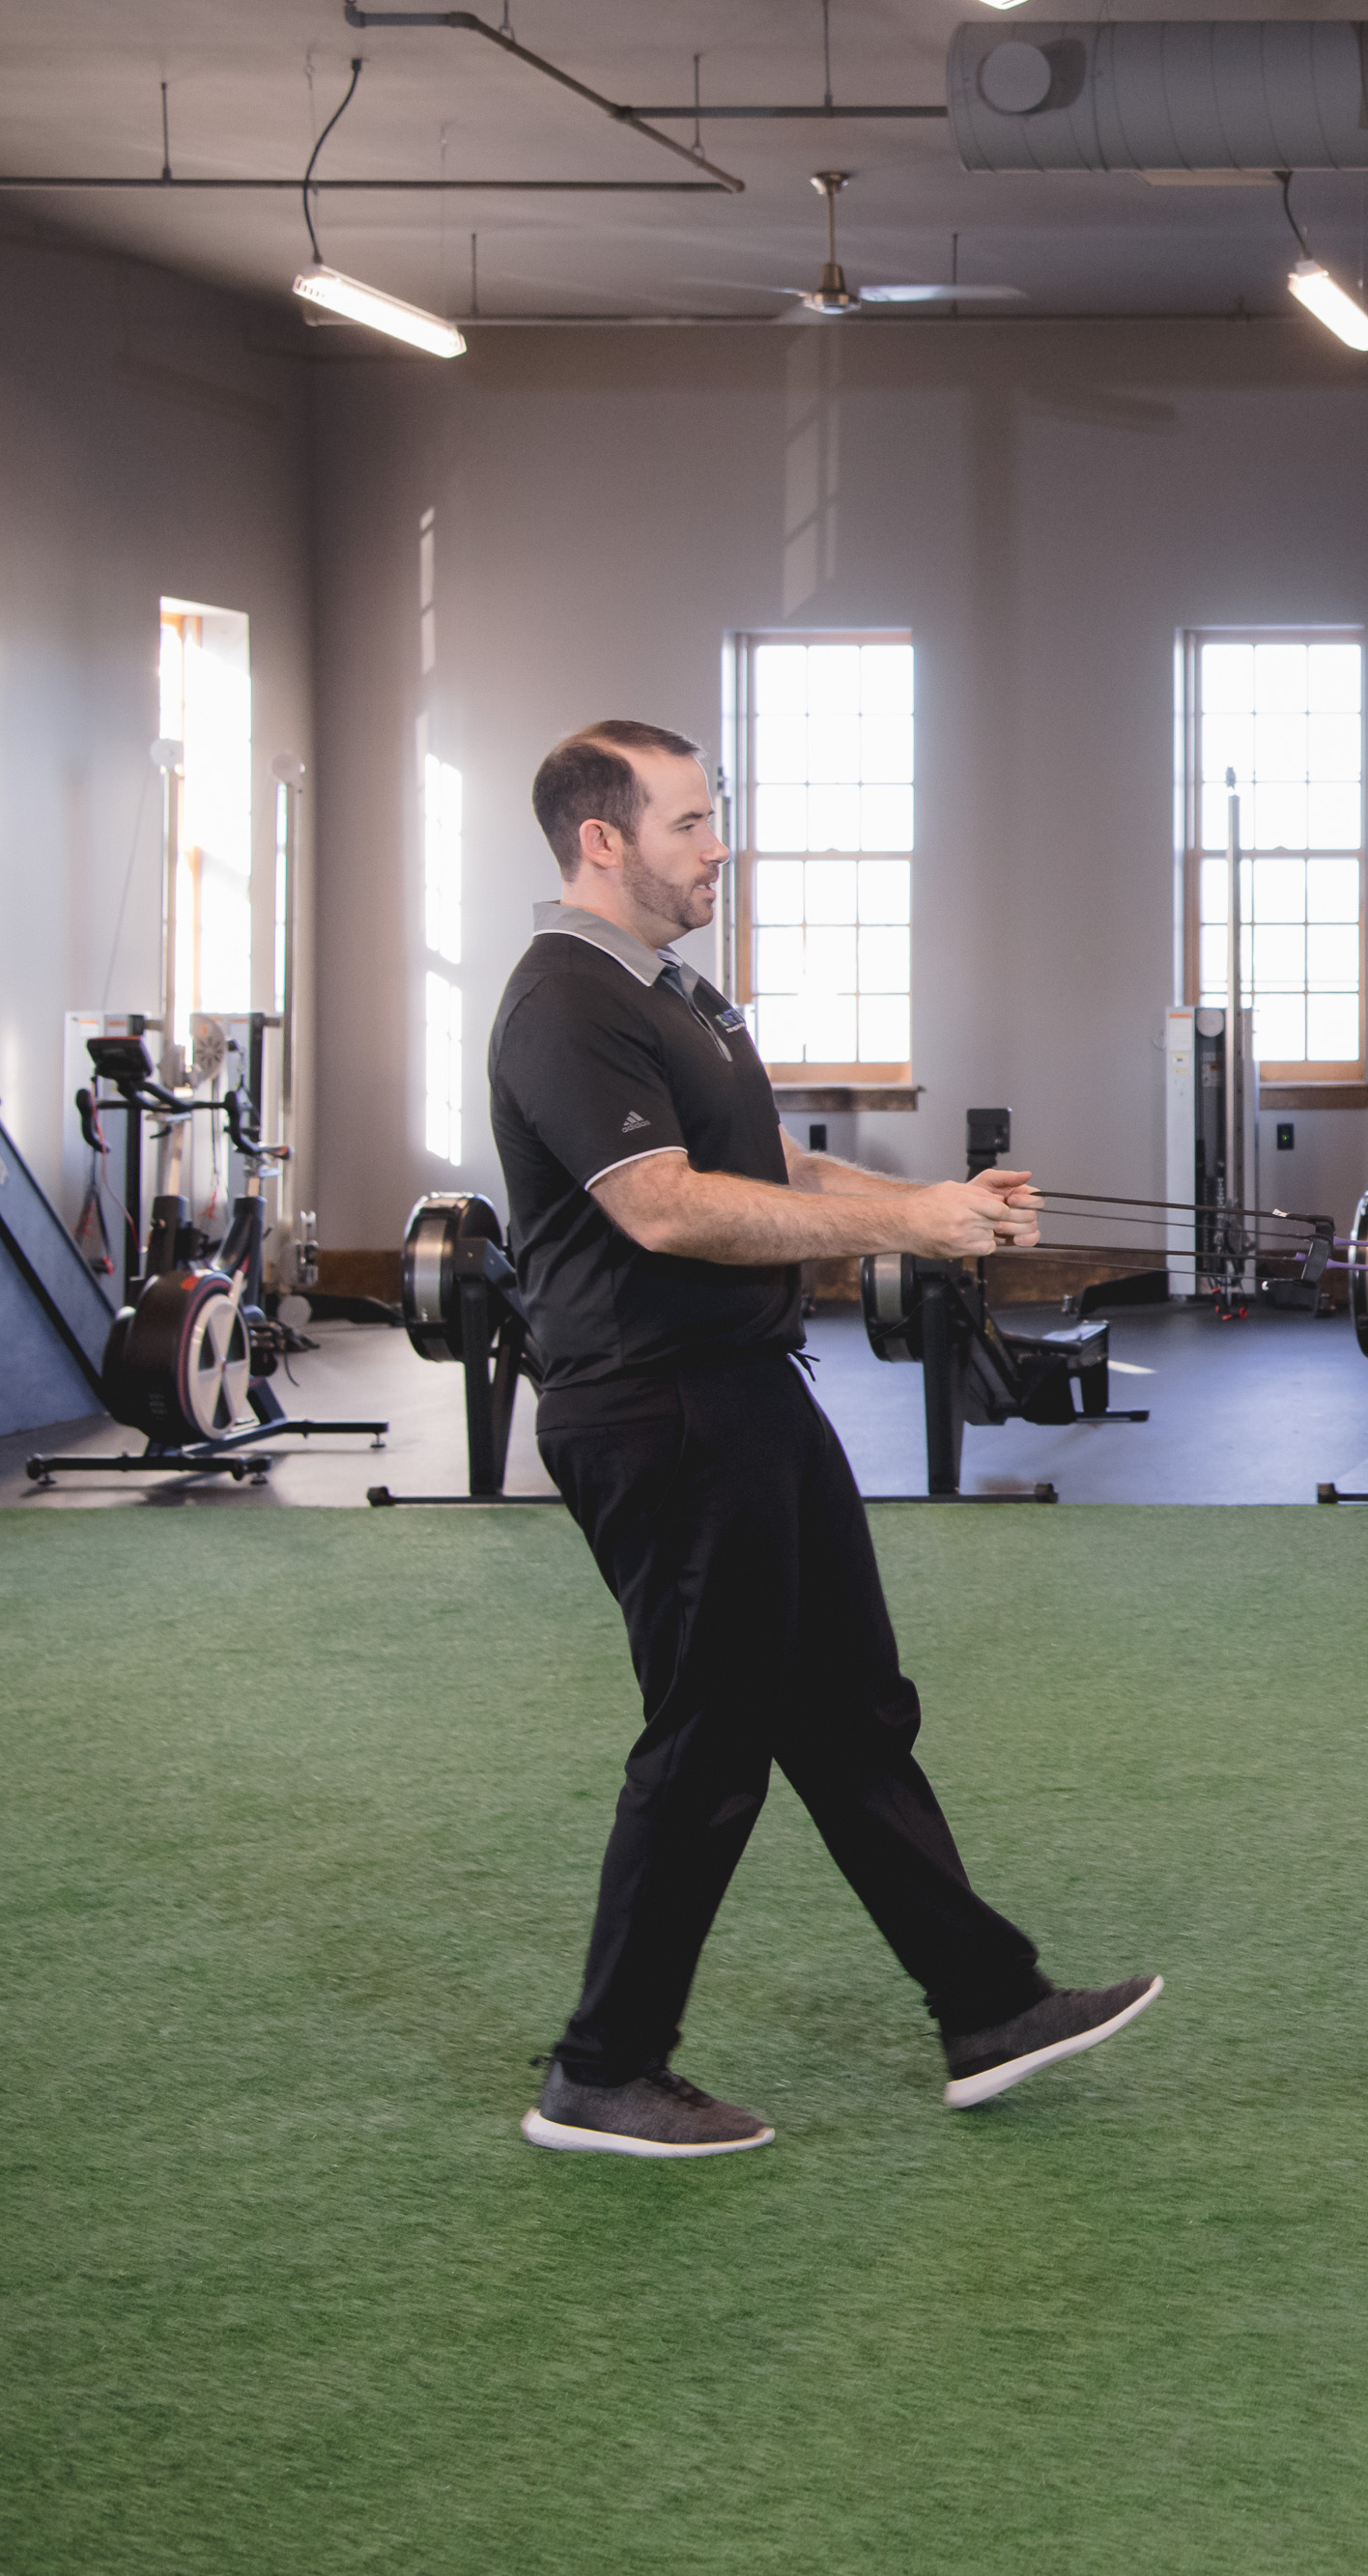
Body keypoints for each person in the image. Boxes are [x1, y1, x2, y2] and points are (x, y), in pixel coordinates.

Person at [493, 718, 1156, 2159]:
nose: (716, 842)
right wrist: (904, 1227)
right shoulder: (564, 1000)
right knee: (711, 1736)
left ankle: (987, 2002)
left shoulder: (682, 995)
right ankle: (603, 2068)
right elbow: (664, 1206)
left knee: (848, 1707)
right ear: (600, 840)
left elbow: (769, 1170)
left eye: (713, 813)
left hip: (749, 1388)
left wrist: (941, 1201)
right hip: (655, 1406)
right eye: (685, 821)